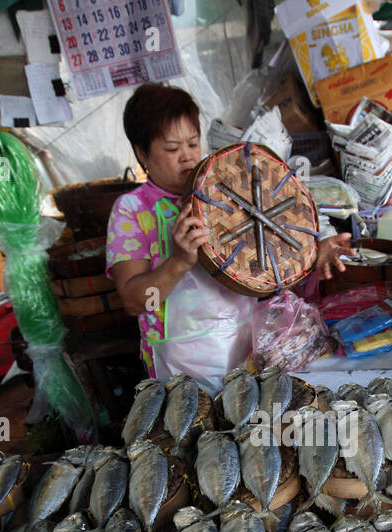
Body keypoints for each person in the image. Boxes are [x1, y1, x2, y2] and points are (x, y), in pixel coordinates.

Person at [107, 84, 350, 382]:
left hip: (247, 347)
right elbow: (136, 302)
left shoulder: (230, 190)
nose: (186, 157)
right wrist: (179, 262)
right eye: (172, 148)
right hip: (180, 364)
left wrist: (314, 254)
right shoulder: (133, 209)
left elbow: (274, 260)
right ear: (141, 153)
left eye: (193, 143)